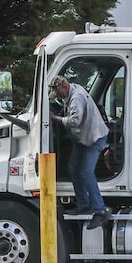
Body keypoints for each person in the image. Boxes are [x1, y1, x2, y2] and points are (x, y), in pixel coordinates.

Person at [48, 75, 110, 229]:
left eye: (58, 92)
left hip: (94, 138)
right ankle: (83, 204)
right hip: (83, 138)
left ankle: (100, 210)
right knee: (73, 169)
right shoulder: (73, 89)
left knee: (86, 172)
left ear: (64, 86)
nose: (59, 96)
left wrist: (56, 118)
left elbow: (75, 120)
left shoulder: (76, 97)